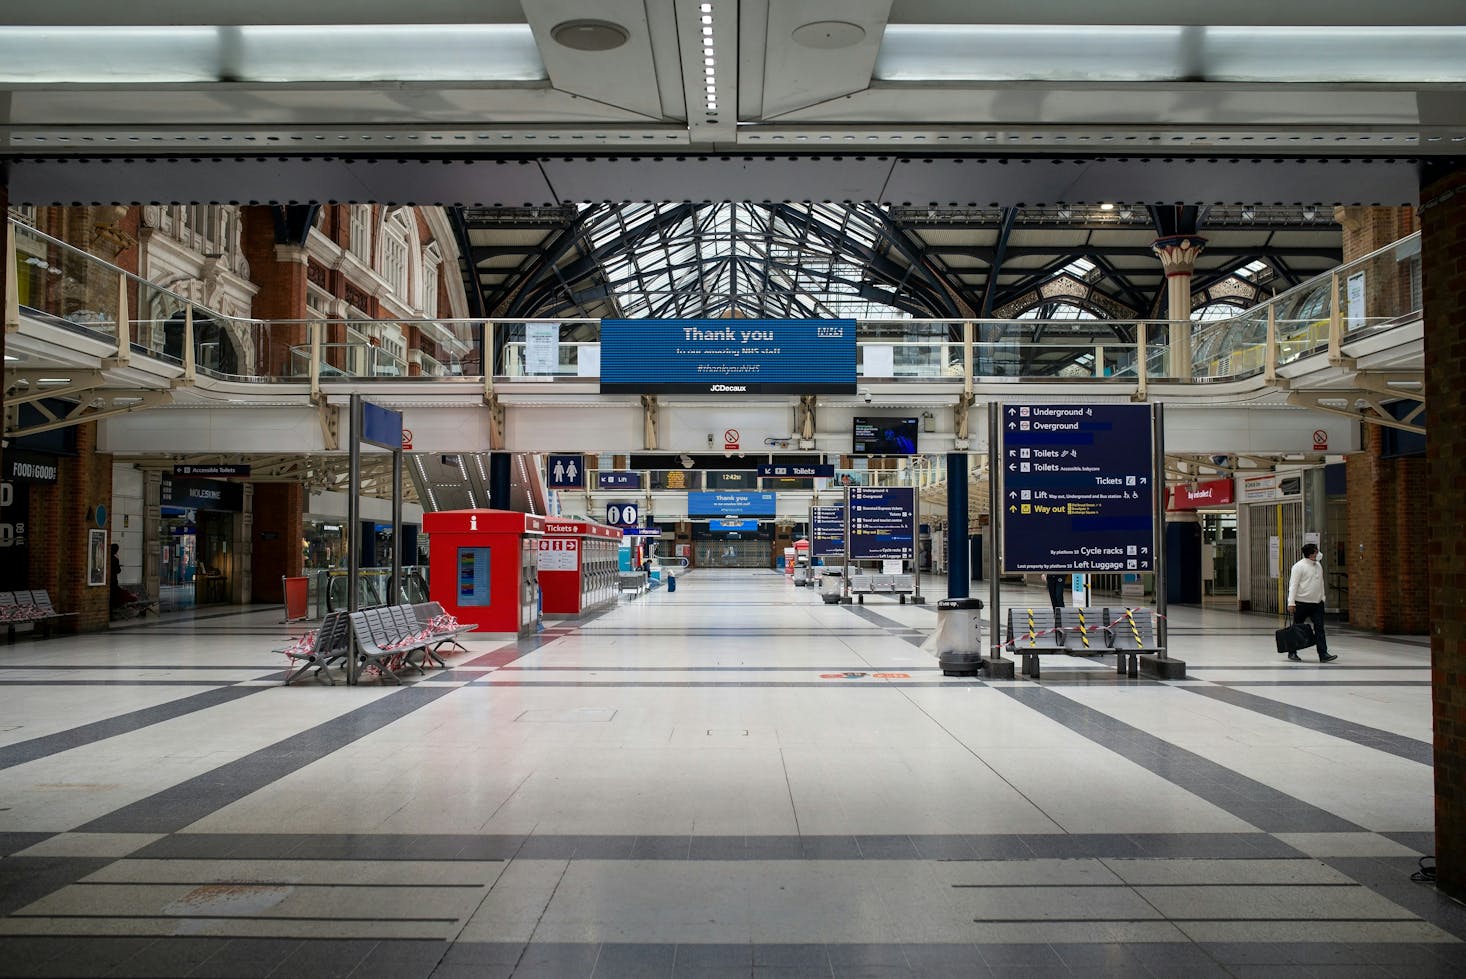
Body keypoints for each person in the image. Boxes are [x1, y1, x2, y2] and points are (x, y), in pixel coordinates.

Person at [1286, 542, 1337, 663]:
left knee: (1320, 628)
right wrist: (1291, 602)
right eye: (1316, 551)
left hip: (1317, 603)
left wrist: (1322, 597)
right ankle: (1292, 652)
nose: (1319, 553)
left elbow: (1321, 583)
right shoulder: (1298, 567)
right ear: (1311, 554)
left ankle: (1323, 653)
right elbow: (1293, 585)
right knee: (1297, 628)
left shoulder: (1318, 565)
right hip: (1301, 603)